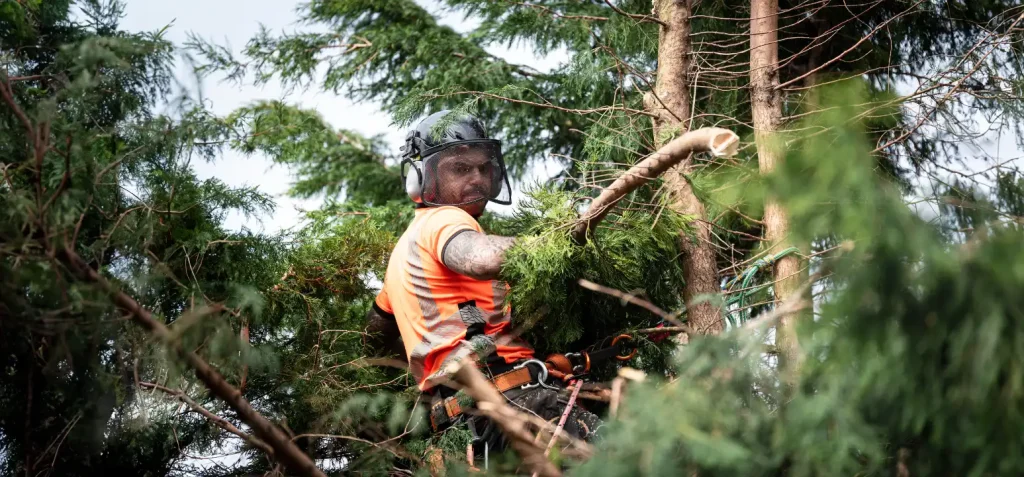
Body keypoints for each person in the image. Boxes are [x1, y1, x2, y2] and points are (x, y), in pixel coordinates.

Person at [363, 110, 600, 460]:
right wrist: (556, 240)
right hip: (513, 403)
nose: (477, 178)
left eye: (483, 168)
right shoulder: (444, 219)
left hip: (463, 427)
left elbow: (374, 337)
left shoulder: (404, 254)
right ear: (421, 177)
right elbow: (480, 259)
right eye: (460, 168)